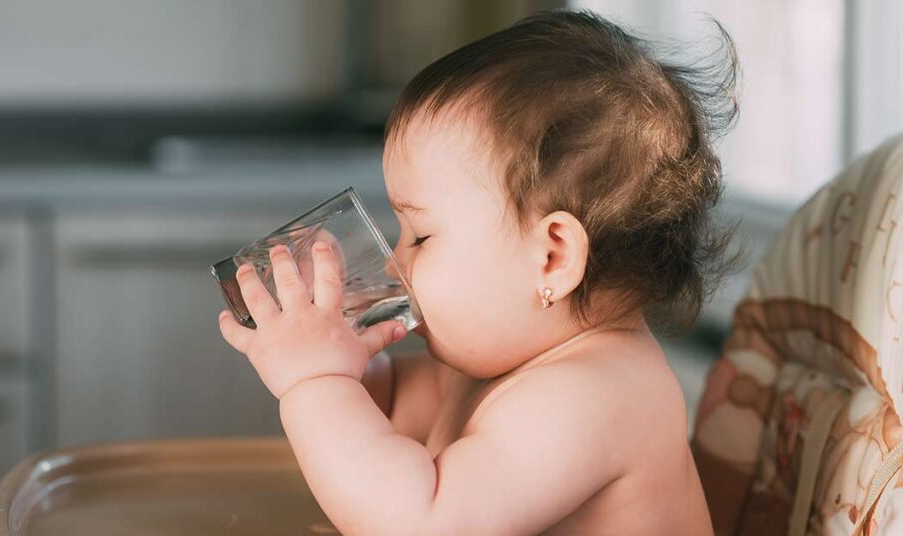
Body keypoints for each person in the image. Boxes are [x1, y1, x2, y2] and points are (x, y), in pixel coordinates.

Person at [218, 8, 740, 535]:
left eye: (421, 236)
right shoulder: (500, 363)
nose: (395, 261)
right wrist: (338, 358)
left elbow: (420, 525)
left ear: (553, 258)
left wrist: (314, 381)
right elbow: (394, 406)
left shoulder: (595, 395)